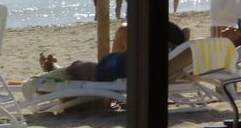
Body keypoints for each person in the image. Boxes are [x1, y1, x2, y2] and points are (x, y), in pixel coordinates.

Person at [39, 21, 187, 83]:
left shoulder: (146, 60)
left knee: (76, 67)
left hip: (113, 69)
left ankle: (53, 69)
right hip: (118, 65)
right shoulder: (174, 53)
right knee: (80, 68)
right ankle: (55, 68)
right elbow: (185, 33)